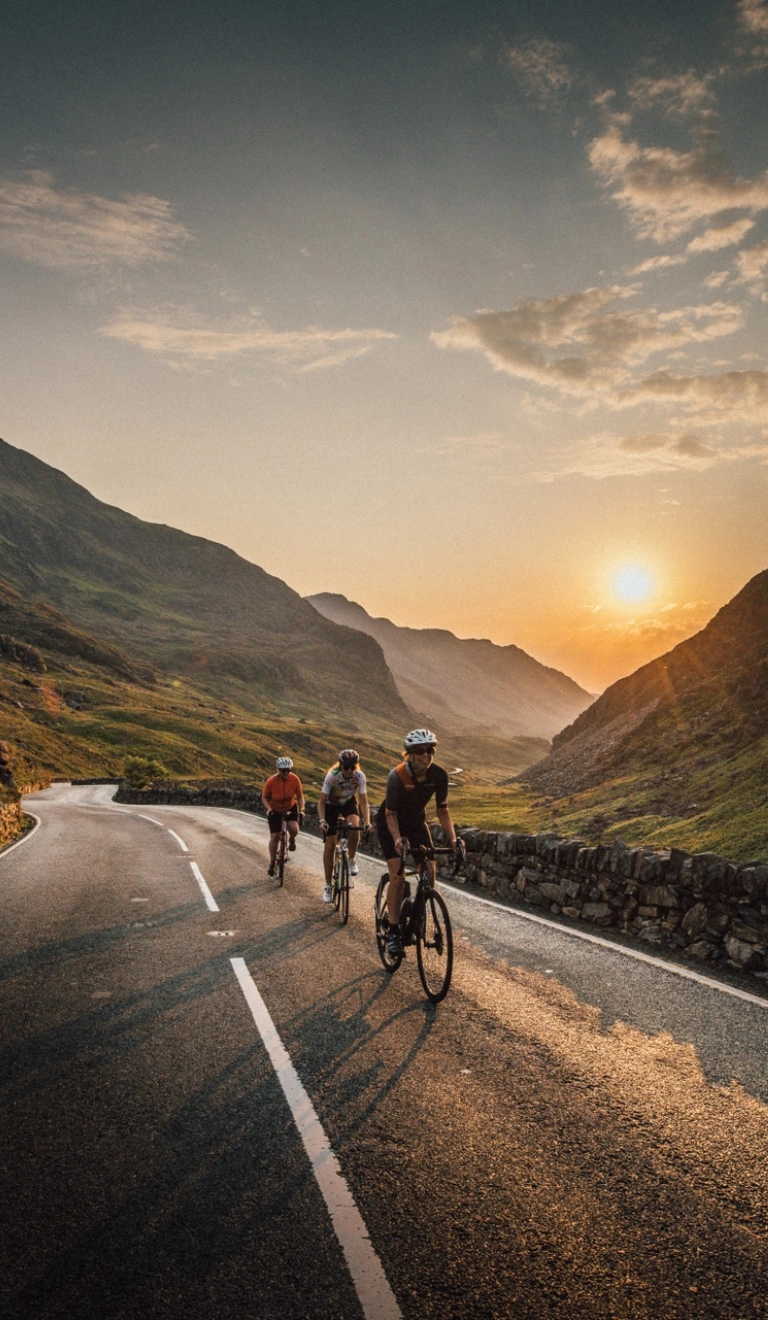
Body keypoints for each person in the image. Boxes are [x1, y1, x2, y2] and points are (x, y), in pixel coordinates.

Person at [375, 729, 463, 957]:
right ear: (410, 754)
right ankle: (393, 931)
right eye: (420, 751)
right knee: (398, 876)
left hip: (416, 823)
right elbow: (390, 813)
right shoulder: (397, 776)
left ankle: (413, 906)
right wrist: (396, 839)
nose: (426, 755)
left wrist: (453, 840)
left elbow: (443, 811)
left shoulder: (439, 775)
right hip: (390, 824)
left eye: (430, 750)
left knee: (429, 874)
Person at [317, 748, 370, 903]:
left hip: (348, 803)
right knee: (330, 845)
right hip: (331, 805)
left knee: (355, 826)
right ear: (340, 766)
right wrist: (322, 821)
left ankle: (351, 859)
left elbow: (363, 801)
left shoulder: (359, 777)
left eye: (352, 767)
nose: (348, 771)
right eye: (345, 767)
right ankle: (328, 885)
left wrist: (367, 821)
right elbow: (321, 802)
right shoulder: (332, 777)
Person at [261, 756, 305, 877]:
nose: (286, 773)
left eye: (288, 770)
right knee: (275, 837)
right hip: (275, 809)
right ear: (278, 770)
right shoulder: (271, 781)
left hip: (290, 807)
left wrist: (302, 809)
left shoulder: (295, 779)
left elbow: (300, 797)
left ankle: (291, 839)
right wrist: (269, 809)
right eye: (283, 770)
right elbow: (264, 798)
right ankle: (272, 863)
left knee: (294, 828)